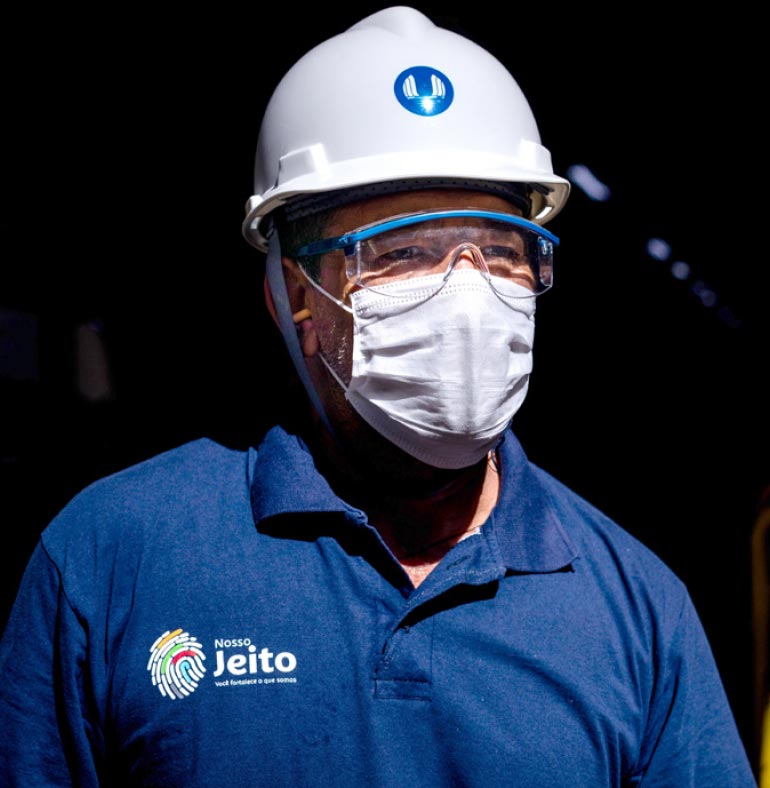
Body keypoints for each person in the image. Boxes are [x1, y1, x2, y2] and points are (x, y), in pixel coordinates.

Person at [0, 7, 757, 787]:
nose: (467, 292)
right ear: (295, 296)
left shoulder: (635, 604)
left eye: (501, 253)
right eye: (400, 253)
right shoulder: (114, 557)